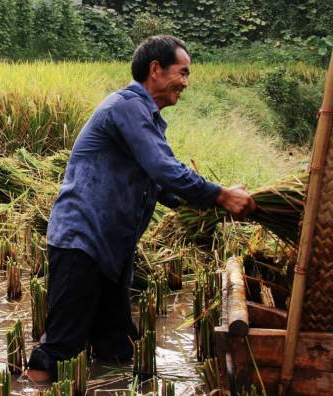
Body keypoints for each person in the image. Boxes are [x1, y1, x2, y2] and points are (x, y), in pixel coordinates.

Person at [25, 35, 256, 381]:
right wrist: (220, 194)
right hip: (82, 241)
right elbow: (164, 168)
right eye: (183, 72)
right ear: (155, 70)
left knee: (116, 345)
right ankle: (33, 386)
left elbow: (160, 184)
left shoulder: (144, 117)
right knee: (61, 348)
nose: (186, 83)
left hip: (112, 249)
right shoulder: (127, 107)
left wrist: (205, 206)